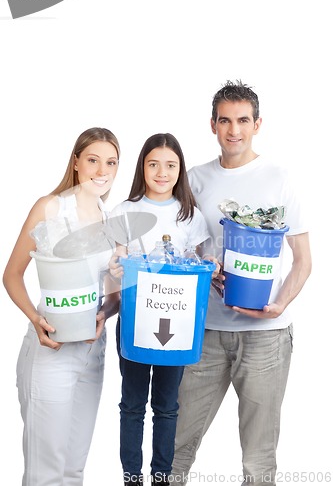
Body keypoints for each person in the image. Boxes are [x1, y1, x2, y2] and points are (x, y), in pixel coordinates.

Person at [170, 81, 312, 486]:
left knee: (258, 460)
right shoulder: (194, 180)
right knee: (176, 448)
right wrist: (203, 268)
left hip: (266, 337)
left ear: (258, 124)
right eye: (226, 121)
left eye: (243, 120)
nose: (234, 130)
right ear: (212, 125)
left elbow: (303, 261)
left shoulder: (280, 179)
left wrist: (279, 304)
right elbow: (183, 249)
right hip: (206, 332)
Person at [2, 127, 121, 486]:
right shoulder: (50, 207)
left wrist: (105, 314)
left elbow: (112, 296)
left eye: (111, 162)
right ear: (76, 162)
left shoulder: (110, 219)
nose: (102, 170)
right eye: (93, 160)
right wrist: (36, 320)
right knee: (45, 471)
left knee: (73, 468)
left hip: (90, 350)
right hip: (50, 348)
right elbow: (11, 275)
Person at [109, 133, 218, 486]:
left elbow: (203, 263)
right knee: (132, 404)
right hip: (136, 320)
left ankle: (161, 478)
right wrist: (116, 265)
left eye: (171, 165)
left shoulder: (190, 215)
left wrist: (211, 266)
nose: (162, 172)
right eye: (153, 164)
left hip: (178, 323)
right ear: (143, 167)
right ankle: (131, 478)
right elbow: (116, 258)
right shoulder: (125, 211)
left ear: (179, 170)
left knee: (168, 406)